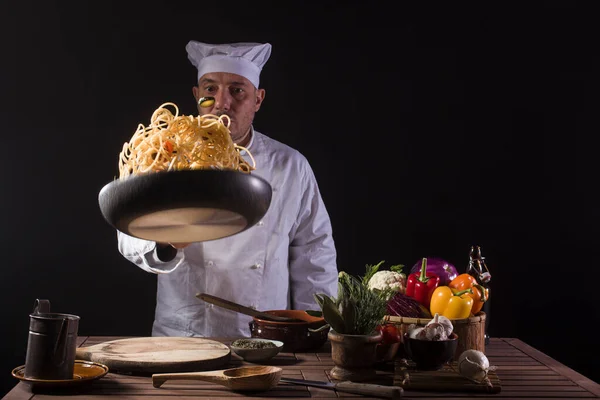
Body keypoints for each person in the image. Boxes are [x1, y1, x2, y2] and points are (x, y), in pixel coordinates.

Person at [117, 41, 339, 337]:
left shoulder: (290, 166)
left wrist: (315, 332)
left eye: (237, 90)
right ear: (197, 95)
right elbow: (127, 234)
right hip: (183, 335)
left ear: (257, 99)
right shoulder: (163, 154)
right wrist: (165, 243)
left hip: (266, 337)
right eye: (210, 90)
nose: (222, 103)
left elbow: (315, 255)